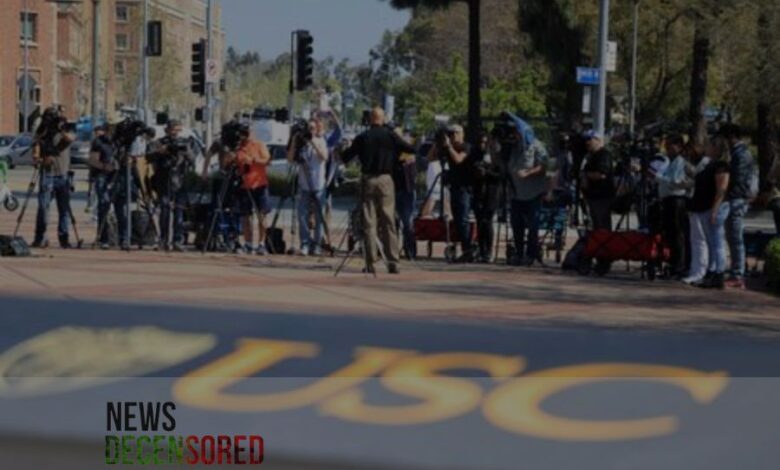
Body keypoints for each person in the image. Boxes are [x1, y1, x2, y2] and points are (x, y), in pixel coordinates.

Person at [342, 107, 415, 274]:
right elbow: (410, 149)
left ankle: (371, 262)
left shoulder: (362, 137)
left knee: (369, 221)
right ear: (383, 119)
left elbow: (346, 156)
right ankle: (393, 261)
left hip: (368, 178)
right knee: (388, 219)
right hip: (386, 179)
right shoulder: (390, 135)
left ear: (369, 119)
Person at [684, 140, 731, 288]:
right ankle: (711, 272)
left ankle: (719, 273)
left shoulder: (721, 166)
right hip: (705, 207)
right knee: (711, 242)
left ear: (717, 149)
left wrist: (715, 209)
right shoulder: (709, 165)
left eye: (711, 145)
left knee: (717, 242)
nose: (707, 148)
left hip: (716, 207)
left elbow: (721, 189)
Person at [506, 114, 549, 266]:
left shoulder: (538, 146)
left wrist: (528, 172)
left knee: (533, 226)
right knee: (516, 225)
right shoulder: (513, 147)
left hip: (533, 194)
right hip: (516, 194)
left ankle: (531, 254)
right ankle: (518, 253)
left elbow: (543, 167)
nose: (514, 135)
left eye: (517, 131)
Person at [427, 124, 474, 262]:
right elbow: (430, 158)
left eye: (456, 133)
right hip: (454, 187)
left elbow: (458, 160)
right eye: (451, 134)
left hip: (465, 187)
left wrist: (449, 147)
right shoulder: (447, 148)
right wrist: (437, 143)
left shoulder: (466, 147)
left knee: (463, 220)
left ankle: (468, 249)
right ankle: (464, 249)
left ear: (462, 134)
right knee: (457, 220)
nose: (453, 136)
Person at [718, 124, 755, 289]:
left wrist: (727, 195)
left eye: (725, 138)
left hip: (737, 199)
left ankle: (737, 274)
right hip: (735, 198)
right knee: (732, 237)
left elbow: (737, 180)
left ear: (731, 136)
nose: (724, 142)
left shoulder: (741, 154)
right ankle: (735, 271)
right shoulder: (736, 153)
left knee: (735, 238)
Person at [32, 107, 75, 249]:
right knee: (43, 208)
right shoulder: (42, 131)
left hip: (62, 174)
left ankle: (64, 238)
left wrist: (60, 127)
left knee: (64, 210)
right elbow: (35, 151)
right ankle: (40, 237)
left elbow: (70, 139)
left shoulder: (64, 128)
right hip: (47, 174)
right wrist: (40, 159)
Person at [147, 120, 194, 252]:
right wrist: (160, 152)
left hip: (180, 180)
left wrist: (185, 152)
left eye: (178, 130)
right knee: (165, 209)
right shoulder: (159, 143)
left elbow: (192, 159)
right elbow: (148, 157)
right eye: (173, 130)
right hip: (163, 180)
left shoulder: (184, 142)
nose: (175, 133)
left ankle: (177, 240)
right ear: (167, 130)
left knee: (179, 211)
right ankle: (163, 239)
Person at [288, 118, 329, 256]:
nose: (310, 131)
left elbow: (324, 157)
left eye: (312, 128)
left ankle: (317, 245)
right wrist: (294, 140)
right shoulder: (301, 144)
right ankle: (305, 244)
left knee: (319, 217)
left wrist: (313, 142)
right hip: (304, 186)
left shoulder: (320, 141)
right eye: (308, 128)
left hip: (318, 186)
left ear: (316, 130)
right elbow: (290, 159)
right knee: (302, 216)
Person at [653, 134, 692, 279]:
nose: (668, 149)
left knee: (678, 234)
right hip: (668, 200)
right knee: (670, 233)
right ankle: (672, 263)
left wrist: (657, 177)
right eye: (667, 146)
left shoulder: (681, 162)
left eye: (671, 146)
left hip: (677, 200)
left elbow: (675, 182)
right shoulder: (670, 161)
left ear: (679, 147)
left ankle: (680, 266)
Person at [230, 125, 272, 255]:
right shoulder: (238, 148)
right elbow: (230, 164)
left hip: (259, 184)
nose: (244, 136)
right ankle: (248, 243)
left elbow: (267, 161)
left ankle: (261, 243)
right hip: (244, 185)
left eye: (246, 133)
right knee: (245, 216)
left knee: (262, 215)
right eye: (242, 134)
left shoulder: (259, 145)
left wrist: (253, 160)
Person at [88, 123, 129, 249]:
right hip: (103, 176)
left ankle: (123, 238)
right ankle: (103, 238)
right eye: (108, 131)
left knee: (121, 208)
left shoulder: (120, 142)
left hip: (118, 177)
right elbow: (92, 160)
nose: (111, 134)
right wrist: (106, 167)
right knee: (104, 205)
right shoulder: (98, 142)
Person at [472, 132, 503, 263]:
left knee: (487, 221)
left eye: (485, 142)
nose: (482, 145)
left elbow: (500, 175)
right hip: (479, 192)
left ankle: (488, 251)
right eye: (480, 142)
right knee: (480, 221)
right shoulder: (475, 155)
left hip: (492, 192)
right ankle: (481, 249)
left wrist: (487, 172)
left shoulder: (496, 157)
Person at [393, 128, 418, 260]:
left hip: (408, 190)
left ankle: (410, 251)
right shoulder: (390, 151)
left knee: (408, 222)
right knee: (393, 222)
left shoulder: (407, 149)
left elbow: (412, 152)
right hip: (394, 190)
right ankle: (393, 251)